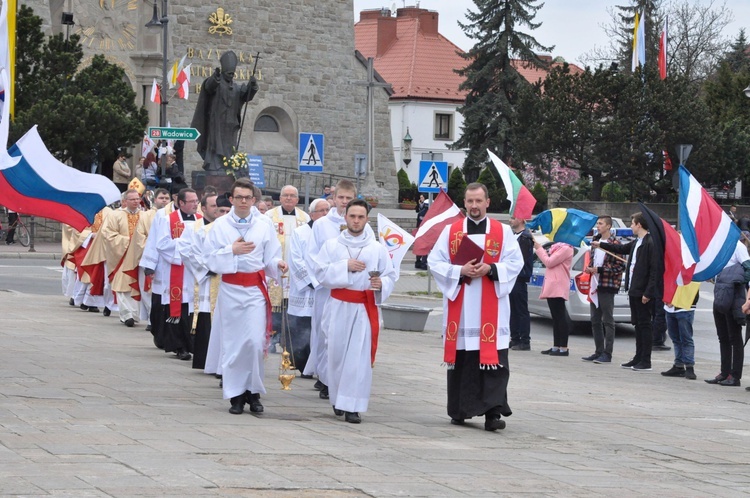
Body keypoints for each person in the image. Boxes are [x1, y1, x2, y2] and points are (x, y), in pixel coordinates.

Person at [427, 183, 523, 431]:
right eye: (470, 201)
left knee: (494, 362)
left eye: (479, 201)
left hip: (492, 306)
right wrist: (461, 270)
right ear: (465, 202)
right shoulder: (452, 231)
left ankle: (493, 413)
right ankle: (460, 410)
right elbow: (434, 261)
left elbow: (516, 262)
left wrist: (491, 269)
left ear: (488, 202)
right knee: (464, 360)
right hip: (463, 304)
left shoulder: (502, 232)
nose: (474, 206)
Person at [203, 178, 287, 415]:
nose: (242, 201)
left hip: (254, 292)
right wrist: (232, 250)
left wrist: (277, 264)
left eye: (247, 197)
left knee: (253, 342)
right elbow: (208, 258)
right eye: (238, 197)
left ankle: (254, 391)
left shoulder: (263, 225)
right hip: (230, 290)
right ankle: (236, 396)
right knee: (233, 344)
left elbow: (270, 256)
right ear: (231, 199)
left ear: (254, 200)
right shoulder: (220, 226)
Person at [311, 199, 396, 424]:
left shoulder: (377, 248)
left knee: (357, 358)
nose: (356, 221)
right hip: (338, 306)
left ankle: (353, 406)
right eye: (352, 216)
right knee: (336, 355)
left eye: (360, 217)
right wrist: (344, 267)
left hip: (363, 308)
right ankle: (338, 398)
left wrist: (381, 284)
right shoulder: (332, 245)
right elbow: (320, 272)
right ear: (345, 217)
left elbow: (389, 275)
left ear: (366, 219)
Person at [305, 179, 372, 400]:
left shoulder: (363, 225)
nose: (343, 202)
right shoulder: (322, 224)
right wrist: (321, 281)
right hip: (327, 290)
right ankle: (325, 378)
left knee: (347, 340)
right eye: (340, 198)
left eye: (347, 198)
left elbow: (371, 257)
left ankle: (339, 382)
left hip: (353, 290)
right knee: (325, 335)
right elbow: (313, 255)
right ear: (333, 199)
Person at [594, 212, 659, 371]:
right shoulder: (637, 241)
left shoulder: (650, 243)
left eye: (632, 223)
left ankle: (646, 360)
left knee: (645, 325)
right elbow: (620, 248)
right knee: (637, 324)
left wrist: (648, 292)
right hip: (634, 289)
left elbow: (654, 271)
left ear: (639, 225)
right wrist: (601, 245)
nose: (630, 226)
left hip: (643, 291)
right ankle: (638, 357)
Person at [152, 188, 203, 360]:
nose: (196, 204)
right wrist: (183, 250)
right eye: (192, 201)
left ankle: (193, 344)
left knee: (193, 307)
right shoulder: (168, 220)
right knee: (179, 307)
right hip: (177, 270)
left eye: (197, 200)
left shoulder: (201, 220)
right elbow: (161, 244)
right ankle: (179, 346)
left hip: (195, 271)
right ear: (181, 203)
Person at [191, 50, 260, 172]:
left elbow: (246, 95)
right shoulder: (216, 83)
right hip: (217, 122)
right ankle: (214, 165)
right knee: (215, 145)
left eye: (232, 74)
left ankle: (229, 164)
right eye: (228, 73)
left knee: (229, 147)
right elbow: (209, 86)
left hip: (231, 124)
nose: (231, 76)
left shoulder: (236, 88)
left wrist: (252, 86)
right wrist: (215, 77)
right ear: (223, 71)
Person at [265, 185, 311, 351]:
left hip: (295, 270)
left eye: (292, 196)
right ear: (280, 198)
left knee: (291, 309)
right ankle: (271, 341)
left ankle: (290, 343)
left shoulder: (304, 218)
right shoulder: (269, 217)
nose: (289, 198)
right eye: (286, 195)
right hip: (277, 268)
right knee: (275, 308)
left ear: (298, 200)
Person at [288, 198, 329, 376]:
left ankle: (318, 366)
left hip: (324, 287)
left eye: (328, 210)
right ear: (311, 214)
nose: (326, 214)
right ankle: (301, 363)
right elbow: (295, 259)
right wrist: (311, 281)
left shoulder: (330, 233)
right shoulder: (300, 233)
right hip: (306, 288)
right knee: (302, 326)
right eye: (322, 211)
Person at [581, 216, 626, 364]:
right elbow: (594, 260)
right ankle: (598, 351)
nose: (598, 226)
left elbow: (620, 266)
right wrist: (590, 268)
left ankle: (608, 353)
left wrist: (600, 269)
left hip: (607, 285)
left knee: (607, 319)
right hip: (595, 283)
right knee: (595, 319)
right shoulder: (596, 241)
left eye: (600, 224)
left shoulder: (615, 244)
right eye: (597, 224)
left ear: (608, 226)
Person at [707, 238, 750, 387]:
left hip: (733, 295)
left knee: (734, 337)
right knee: (723, 336)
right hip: (720, 293)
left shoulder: (737, 245)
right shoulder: (719, 245)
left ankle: (735, 375)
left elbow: (748, 267)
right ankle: (724, 372)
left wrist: (737, 280)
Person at [100, 189, 142, 327]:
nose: (136, 201)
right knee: (122, 285)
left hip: (139, 256)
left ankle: (134, 314)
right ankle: (126, 315)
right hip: (122, 255)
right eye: (132, 199)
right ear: (125, 201)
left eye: (137, 199)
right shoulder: (115, 215)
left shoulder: (144, 216)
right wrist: (128, 240)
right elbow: (108, 234)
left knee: (137, 285)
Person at [535, 240, 574, 356]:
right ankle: (556, 346)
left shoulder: (566, 248)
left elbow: (549, 262)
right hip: (553, 284)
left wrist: (539, 249)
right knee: (555, 317)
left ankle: (563, 347)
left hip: (558, 284)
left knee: (560, 316)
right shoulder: (557, 247)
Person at [508, 215, 534, 351]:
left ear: (522, 219)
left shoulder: (525, 237)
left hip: (520, 276)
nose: (510, 220)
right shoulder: (514, 235)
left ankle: (525, 340)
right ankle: (515, 337)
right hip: (512, 277)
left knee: (521, 310)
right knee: (512, 309)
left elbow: (520, 259)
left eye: (513, 218)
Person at [661, 294, 699, 380]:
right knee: (675, 338)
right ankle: (679, 365)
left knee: (686, 338)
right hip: (670, 308)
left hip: (685, 307)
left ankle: (689, 367)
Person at [414, 196, 429, 270]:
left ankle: (417, 262)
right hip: (427, 233)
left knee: (420, 248)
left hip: (419, 232)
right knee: (425, 249)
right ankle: (424, 264)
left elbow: (417, 223)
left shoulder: (420, 213)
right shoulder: (429, 214)